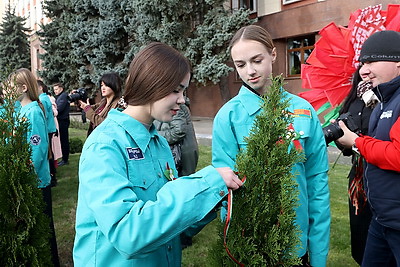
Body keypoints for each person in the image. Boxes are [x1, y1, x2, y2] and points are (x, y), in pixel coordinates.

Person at [73, 42, 243, 266]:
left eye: (184, 91)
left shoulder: (159, 144)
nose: (182, 100)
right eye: (176, 90)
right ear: (151, 84)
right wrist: (206, 183)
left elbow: (166, 224)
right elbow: (127, 235)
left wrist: (213, 199)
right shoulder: (105, 144)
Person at [212, 25, 330, 267]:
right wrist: (235, 245)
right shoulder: (228, 117)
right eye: (241, 64)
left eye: (257, 60)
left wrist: (317, 253)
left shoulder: (304, 111)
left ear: (273, 55)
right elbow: (227, 193)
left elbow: (317, 183)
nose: (250, 71)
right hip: (250, 245)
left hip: (296, 243)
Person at [336, 30, 400, 266]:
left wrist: (356, 141)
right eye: (363, 62)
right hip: (382, 218)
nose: (363, 70)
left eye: (371, 61)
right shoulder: (385, 99)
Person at [9, 68, 60, 267]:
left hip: (36, 181)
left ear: (23, 87)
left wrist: (23, 173)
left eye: (12, 86)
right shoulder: (22, 110)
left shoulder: (33, 112)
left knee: (43, 229)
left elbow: (37, 151)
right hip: (28, 181)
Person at [334, 67, 376, 265]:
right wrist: (342, 139)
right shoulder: (352, 100)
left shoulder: (385, 99)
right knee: (360, 229)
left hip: (377, 171)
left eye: (371, 63)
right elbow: (345, 141)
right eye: (362, 66)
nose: (365, 71)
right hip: (357, 178)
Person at [153, 95, 199, 248]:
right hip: (176, 155)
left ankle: (184, 237)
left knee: (183, 196)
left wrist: (153, 136)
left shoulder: (175, 107)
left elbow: (178, 131)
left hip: (181, 157)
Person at [78, 72, 123, 136]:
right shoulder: (103, 102)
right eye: (102, 85)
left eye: (106, 85)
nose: (103, 88)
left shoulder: (119, 104)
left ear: (114, 86)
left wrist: (88, 109)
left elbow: (106, 124)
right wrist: (78, 98)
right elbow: (90, 108)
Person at [37, 80, 58, 187]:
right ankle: (53, 174)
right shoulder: (45, 98)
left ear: (40, 88)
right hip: (49, 128)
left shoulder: (43, 99)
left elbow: (43, 115)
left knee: (48, 153)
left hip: (47, 129)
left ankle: (52, 176)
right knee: (49, 151)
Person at [53, 83, 70, 166]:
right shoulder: (60, 97)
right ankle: (64, 158)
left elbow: (59, 108)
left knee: (64, 140)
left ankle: (65, 159)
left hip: (63, 120)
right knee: (62, 140)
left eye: (56, 89)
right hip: (61, 120)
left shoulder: (63, 96)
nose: (55, 91)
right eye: (54, 90)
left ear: (61, 88)